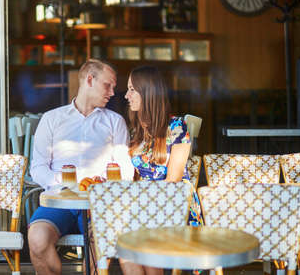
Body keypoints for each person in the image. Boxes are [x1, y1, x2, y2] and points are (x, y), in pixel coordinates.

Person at [28, 59, 134, 275]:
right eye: (108, 85)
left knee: (99, 245)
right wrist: (67, 182)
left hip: (99, 204)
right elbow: (38, 168)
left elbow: (126, 171)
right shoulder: (52, 119)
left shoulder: (115, 121)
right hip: (59, 202)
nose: (113, 92)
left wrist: (102, 186)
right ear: (89, 80)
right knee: (37, 240)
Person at [121, 65, 203, 275]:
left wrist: (143, 205)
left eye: (132, 89)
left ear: (147, 92)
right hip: (144, 205)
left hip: (172, 202)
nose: (126, 95)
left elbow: (174, 179)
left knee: (144, 249)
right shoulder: (135, 131)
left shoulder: (177, 126)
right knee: (126, 253)